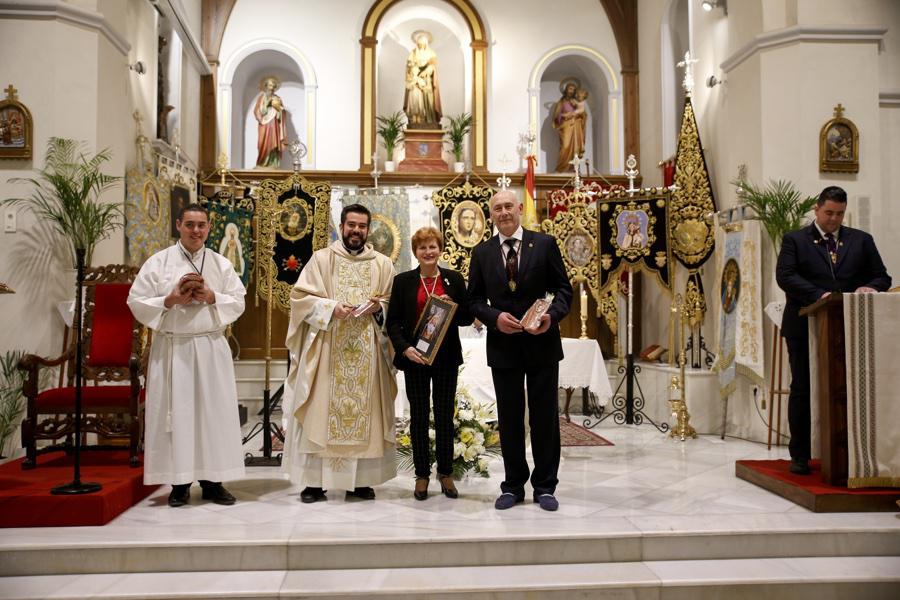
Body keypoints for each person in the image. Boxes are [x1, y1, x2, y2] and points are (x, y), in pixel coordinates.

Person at [127, 204, 246, 507]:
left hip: (209, 347)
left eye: (202, 225)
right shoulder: (158, 263)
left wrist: (212, 296)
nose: (196, 230)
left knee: (212, 414)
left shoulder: (220, 264)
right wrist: (170, 300)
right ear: (178, 225)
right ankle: (179, 483)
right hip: (173, 349)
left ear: (209, 228)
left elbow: (238, 301)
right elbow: (136, 302)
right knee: (176, 415)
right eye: (190, 224)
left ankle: (213, 481)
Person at [283, 203, 397, 503]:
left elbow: (393, 304)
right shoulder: (321, 260)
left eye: (361, 226)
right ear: (342, 226)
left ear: (368, 229)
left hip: (368, 350)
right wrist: (331, 307)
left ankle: (361, 482)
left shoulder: (383, 264)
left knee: (366, 413)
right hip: (328, 348)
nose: (356, 231)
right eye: (351, 225)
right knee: (321, 412)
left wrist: (379, 308)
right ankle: (314, 483)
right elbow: (299, 297)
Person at [467, 190, 573, 511]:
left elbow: (564, 290)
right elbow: (472, 300)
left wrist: (550, 317)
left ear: (520, 209)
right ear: (491, 214)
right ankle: (513, 485)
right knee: (509, 418)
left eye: (508, 206)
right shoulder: (482, 253)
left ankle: (545, 486)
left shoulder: (544, 244)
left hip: (541, 343)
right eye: (497, 208)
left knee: (544, 417)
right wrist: (494, 318)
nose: (503, 213)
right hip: (503, 346)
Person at [776, 185, 891, 475]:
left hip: (850, 326)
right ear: (816, 209)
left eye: (839, 214)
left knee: (849, 388)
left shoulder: (861, 240)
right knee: (802, 387)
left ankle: (851, 451)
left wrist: (871, 286)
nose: (834, 220)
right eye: (829, 213)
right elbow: (786, 276)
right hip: (804, 324)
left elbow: (882, 276)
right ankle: (800, 455)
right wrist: (819, 295)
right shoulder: (795, 240)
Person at [386, 227, 473, 500]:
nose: (428, 252)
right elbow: (393, 324)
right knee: (419, 417)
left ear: (440, 249)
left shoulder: (454, 280)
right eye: (423, 248)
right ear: (416, 252)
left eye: (433, 246)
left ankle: (445, 473)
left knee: (445, 415)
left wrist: (454, 305)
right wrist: (406, 349)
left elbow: (468, 318)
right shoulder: (403, 281)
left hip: (446, 358)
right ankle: (422, 474)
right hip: (416, 359)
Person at [403, 31, 442, 127]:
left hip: (427, 80)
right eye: (419, 44)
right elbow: (409, 66)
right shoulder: (413, 53)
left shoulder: (431, 53)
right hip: (416, 82)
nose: (421, 46)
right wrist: (414, 73)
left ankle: (430, 119)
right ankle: (416, 119)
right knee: (416, 101)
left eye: (422, 44)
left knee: (429, 100)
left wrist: (426, 71)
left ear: (426, 44)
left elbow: (433, 66)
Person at [254, 76, 288, 168]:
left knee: (274, 142)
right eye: (270, 85)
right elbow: (257, 110)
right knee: (263, 143)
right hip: (264, 123)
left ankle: (273, 163)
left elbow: (282, 111)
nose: (271, 88)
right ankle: (262, 163)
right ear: (266, 86)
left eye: (273, 86)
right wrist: (267, 105)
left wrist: (280, 110)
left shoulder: (278, 98)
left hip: (274, 123)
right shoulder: (261, 97)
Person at [552, 82, 586, 173]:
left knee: (575, 148)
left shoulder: (577, 102)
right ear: (566, 90)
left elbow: (583, 114)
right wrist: (563, 116)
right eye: (570, 89)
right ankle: (562, 168)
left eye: (573, 89)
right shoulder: (561, 102)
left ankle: (573, 168)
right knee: (565, 146)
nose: (572, 91)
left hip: (575, 127)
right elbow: (556, 116)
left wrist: (579, 114)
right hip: (566, 127)